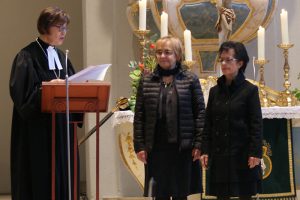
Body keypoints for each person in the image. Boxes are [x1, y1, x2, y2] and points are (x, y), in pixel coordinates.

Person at [9, 6, 81, 200]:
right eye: (60, 27)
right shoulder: (26, 56)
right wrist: (48, 88)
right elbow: (21, 95)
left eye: (66, 28)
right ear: (45, 27)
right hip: (37, 130)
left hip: (62, 128)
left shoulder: (62, 57)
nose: (64, 32)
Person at [133, 36, 205, 200]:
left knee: (181, 193)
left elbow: (200, 112)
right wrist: (139, 145)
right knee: (160, 194)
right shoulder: (146, 80)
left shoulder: (190, 79)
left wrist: (199, 143)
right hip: (156, 147)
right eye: (159, 52)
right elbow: (140, 116)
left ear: (178, 55)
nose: (163, 56)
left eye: (168, 52)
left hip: (183, 147)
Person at [200, 41, 263, 200]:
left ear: (240, 63)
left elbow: (256, 124)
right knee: (222, 196)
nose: (223, 63)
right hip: (220, 153)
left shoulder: (250, 90)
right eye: (221, 59)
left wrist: (255, 152)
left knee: (244, 195)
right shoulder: (214, 91)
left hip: (242, 153)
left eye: (229, 60)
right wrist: (205, 150)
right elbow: (208, 123)